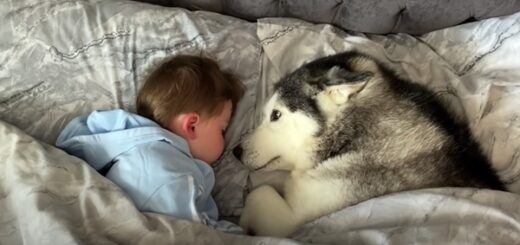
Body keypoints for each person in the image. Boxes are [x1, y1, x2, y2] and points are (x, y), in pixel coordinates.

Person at [56, 55, 244, 232]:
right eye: (222, 129)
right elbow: (189, 234)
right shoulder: (166, 169)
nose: (226, 140)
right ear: (192, 126)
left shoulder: (145, 154)